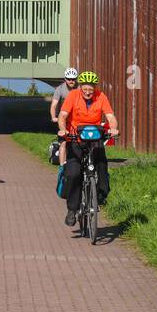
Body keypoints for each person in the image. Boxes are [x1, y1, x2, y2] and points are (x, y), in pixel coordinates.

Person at [56, 70, 119, 226]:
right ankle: (72, 210)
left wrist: (113, 128)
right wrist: (63, 130)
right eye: (85, 88)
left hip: (95, 139)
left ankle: (101, 194)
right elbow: (63, 115)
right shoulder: (73, 96)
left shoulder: (101, 96)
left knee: (102, 164)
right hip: (75, 139)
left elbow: (110, 116)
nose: (88, 92)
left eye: (91, 89)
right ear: (81, 86)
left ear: (94, 88)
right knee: (73, 173)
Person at [49, 67, 79, 164]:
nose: (71, 81)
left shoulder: (80, 88)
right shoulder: (60, 89)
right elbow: (53, 105)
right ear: (65, 79)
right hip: (64, 118)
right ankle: (62, 166)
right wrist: (54, 117)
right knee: (64, 142)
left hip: (78, 118)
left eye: (73, 79)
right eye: (69, 79)